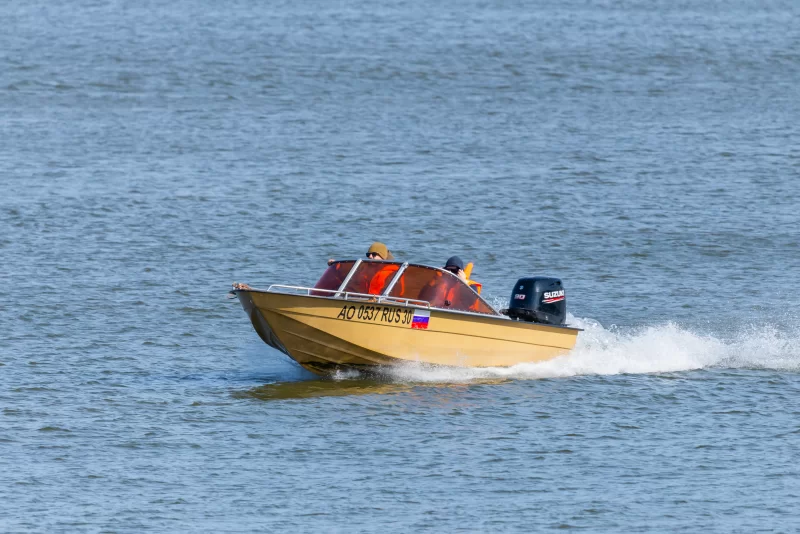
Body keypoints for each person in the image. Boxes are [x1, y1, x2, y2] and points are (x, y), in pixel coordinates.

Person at [328, 241, 394, 265]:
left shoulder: (392, 272)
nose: (370, 257)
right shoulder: (365, 267)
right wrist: (336, 264)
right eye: (368, 254)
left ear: (383, 256)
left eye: (374, 254)